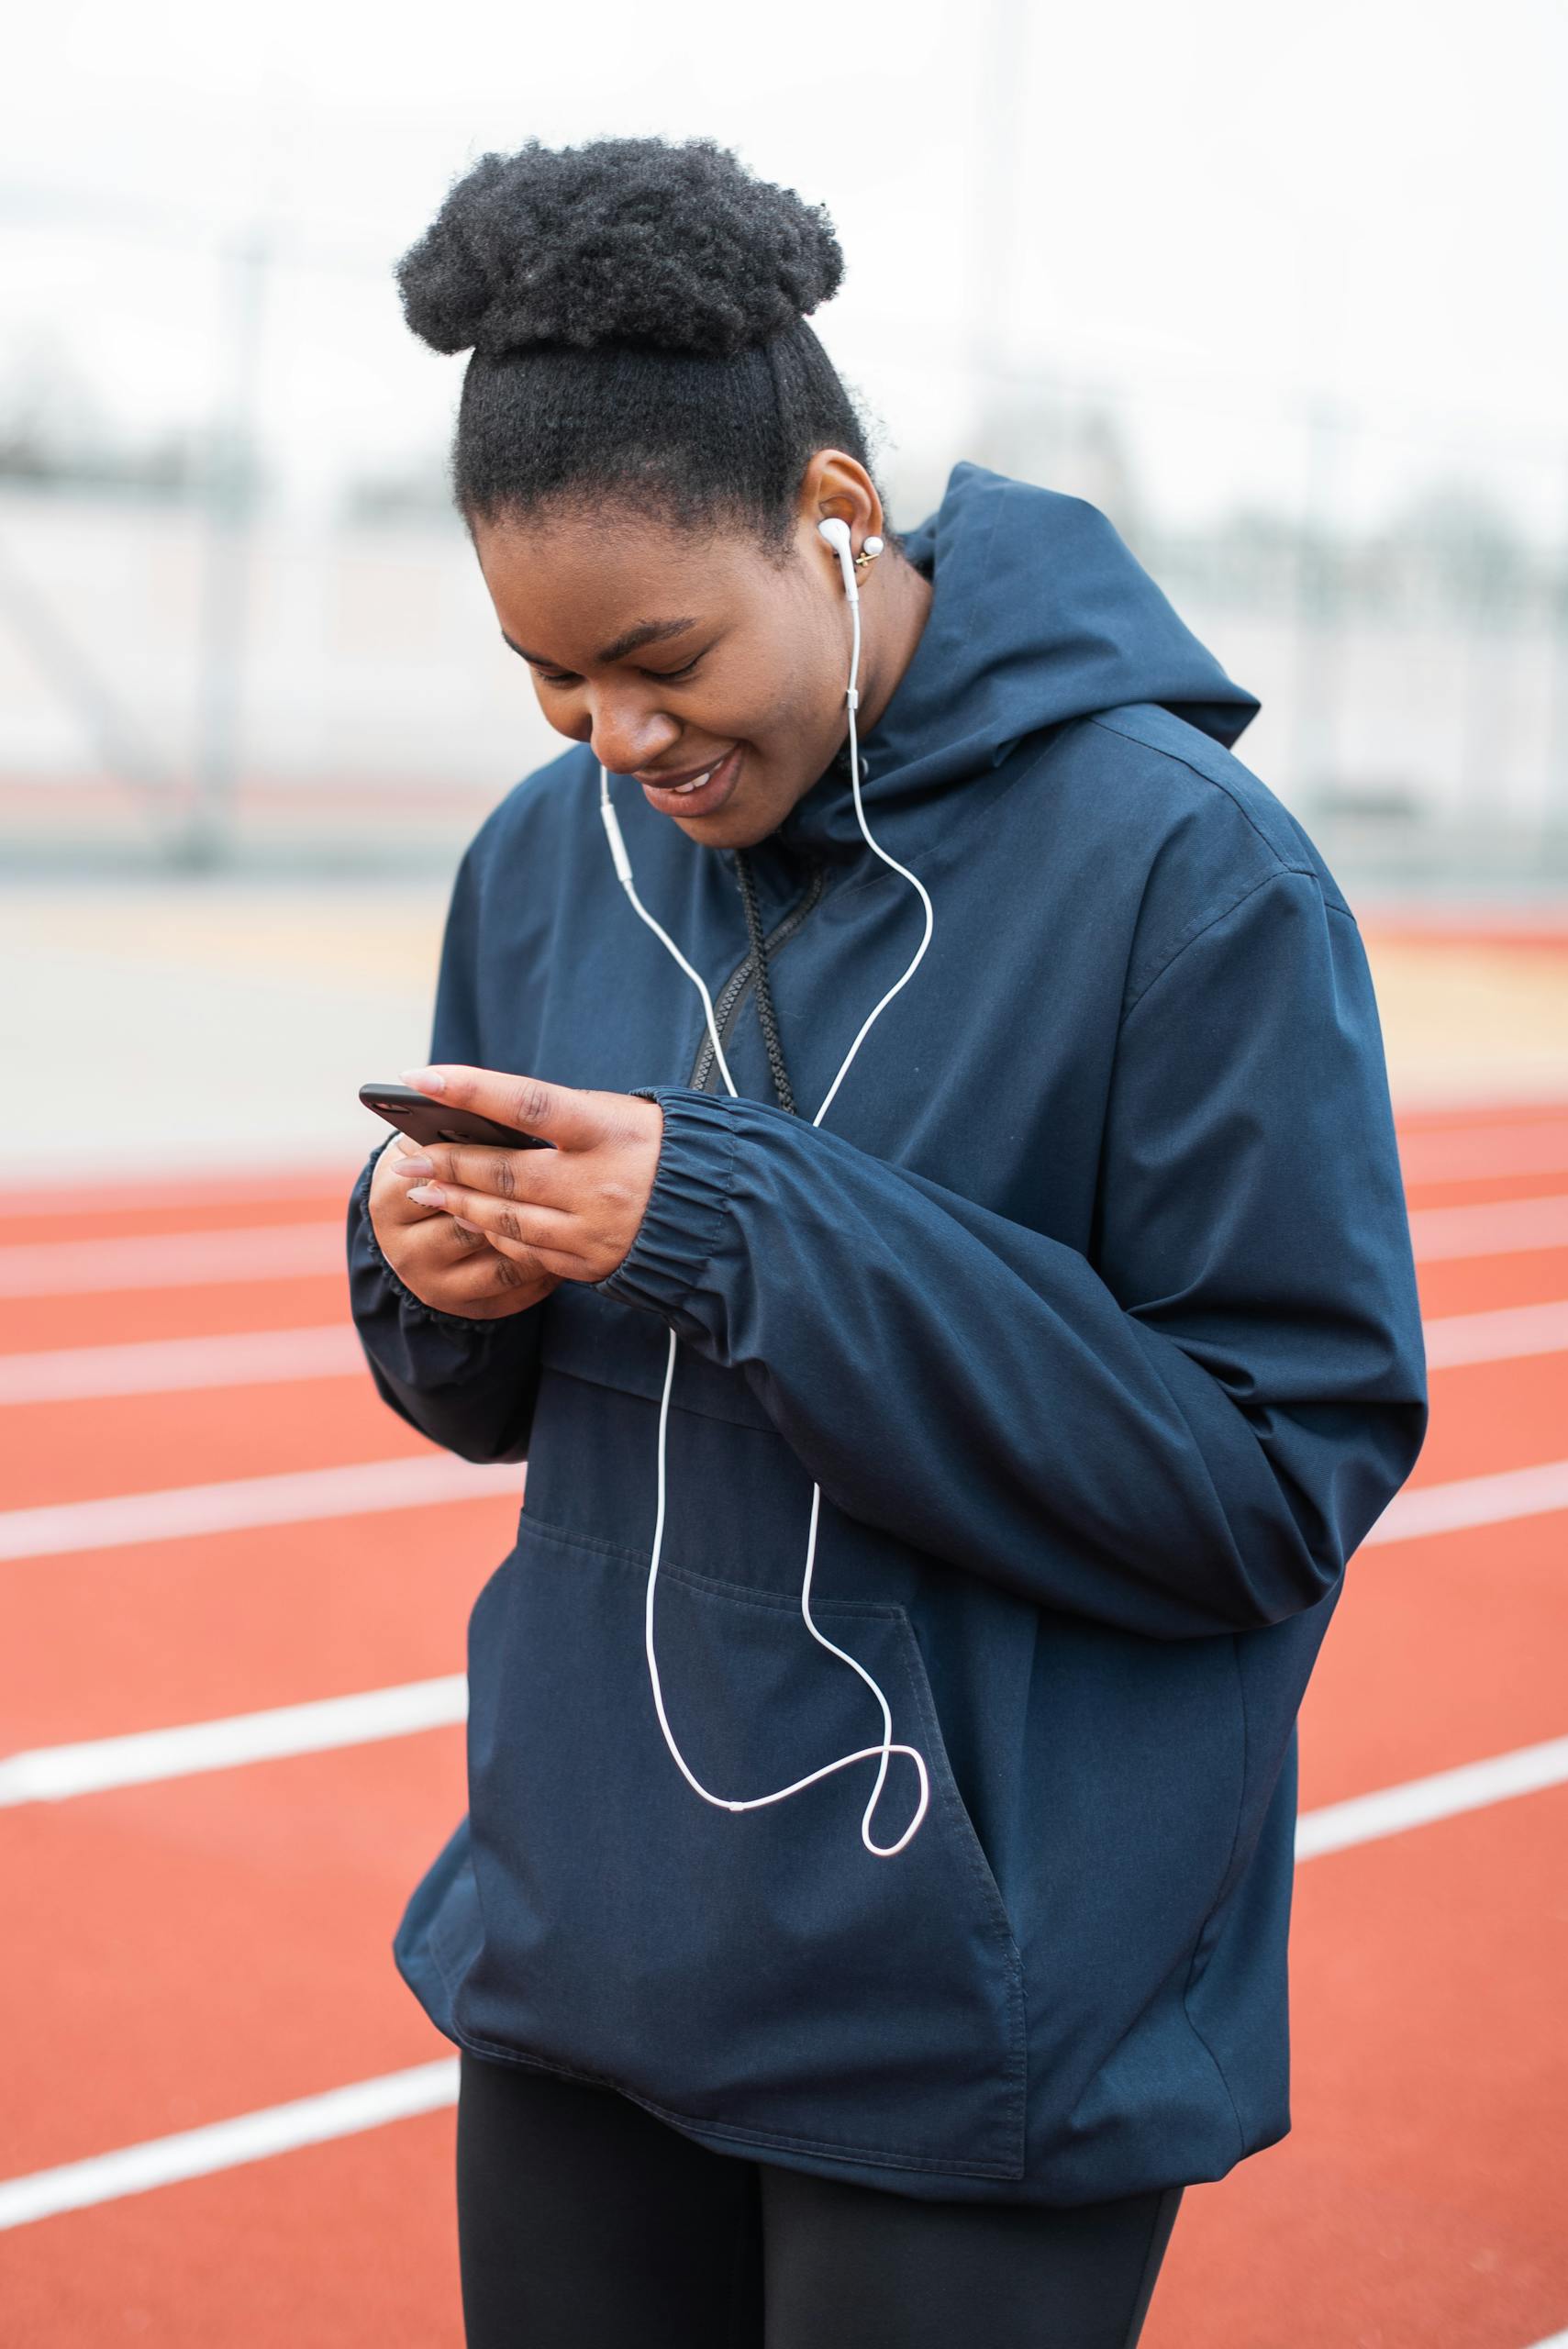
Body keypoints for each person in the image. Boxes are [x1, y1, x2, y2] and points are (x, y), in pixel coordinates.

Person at [345, 134, 1429, 2349]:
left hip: (970, 2024)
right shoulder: (547, 856)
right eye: (552, 681)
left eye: (660, 658)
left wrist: (730, 1221)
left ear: (835, 518)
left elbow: (1262, 1480)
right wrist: (424, 1270)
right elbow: (490, 1398)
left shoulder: (1189, 877)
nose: (616, 738)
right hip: (579, 1954)